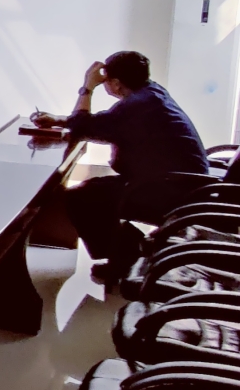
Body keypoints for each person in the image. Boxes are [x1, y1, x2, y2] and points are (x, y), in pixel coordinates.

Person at [31, 51, 208, 281]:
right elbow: (103, 124)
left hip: (171, 192)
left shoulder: (138, 104)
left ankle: (124, 261)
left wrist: (87, 87)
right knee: (94, 190)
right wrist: (59, 120)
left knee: (82, 197)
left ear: (115, 83)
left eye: (106, 80)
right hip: (186, 184)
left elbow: (83, 127)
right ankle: (129, 251)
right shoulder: (151, 94)